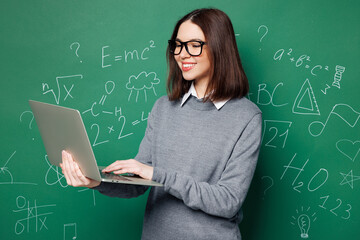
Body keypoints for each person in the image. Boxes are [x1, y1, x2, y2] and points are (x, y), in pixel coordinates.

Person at [60, 8, 262, 240]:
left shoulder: (246, 117)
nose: (182, 54)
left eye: (194, 45)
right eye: (177, 45)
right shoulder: (163, 108)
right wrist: (94, 180)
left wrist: (160, 175)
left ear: (219, 46)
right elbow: (139, 183)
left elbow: (228, 201)